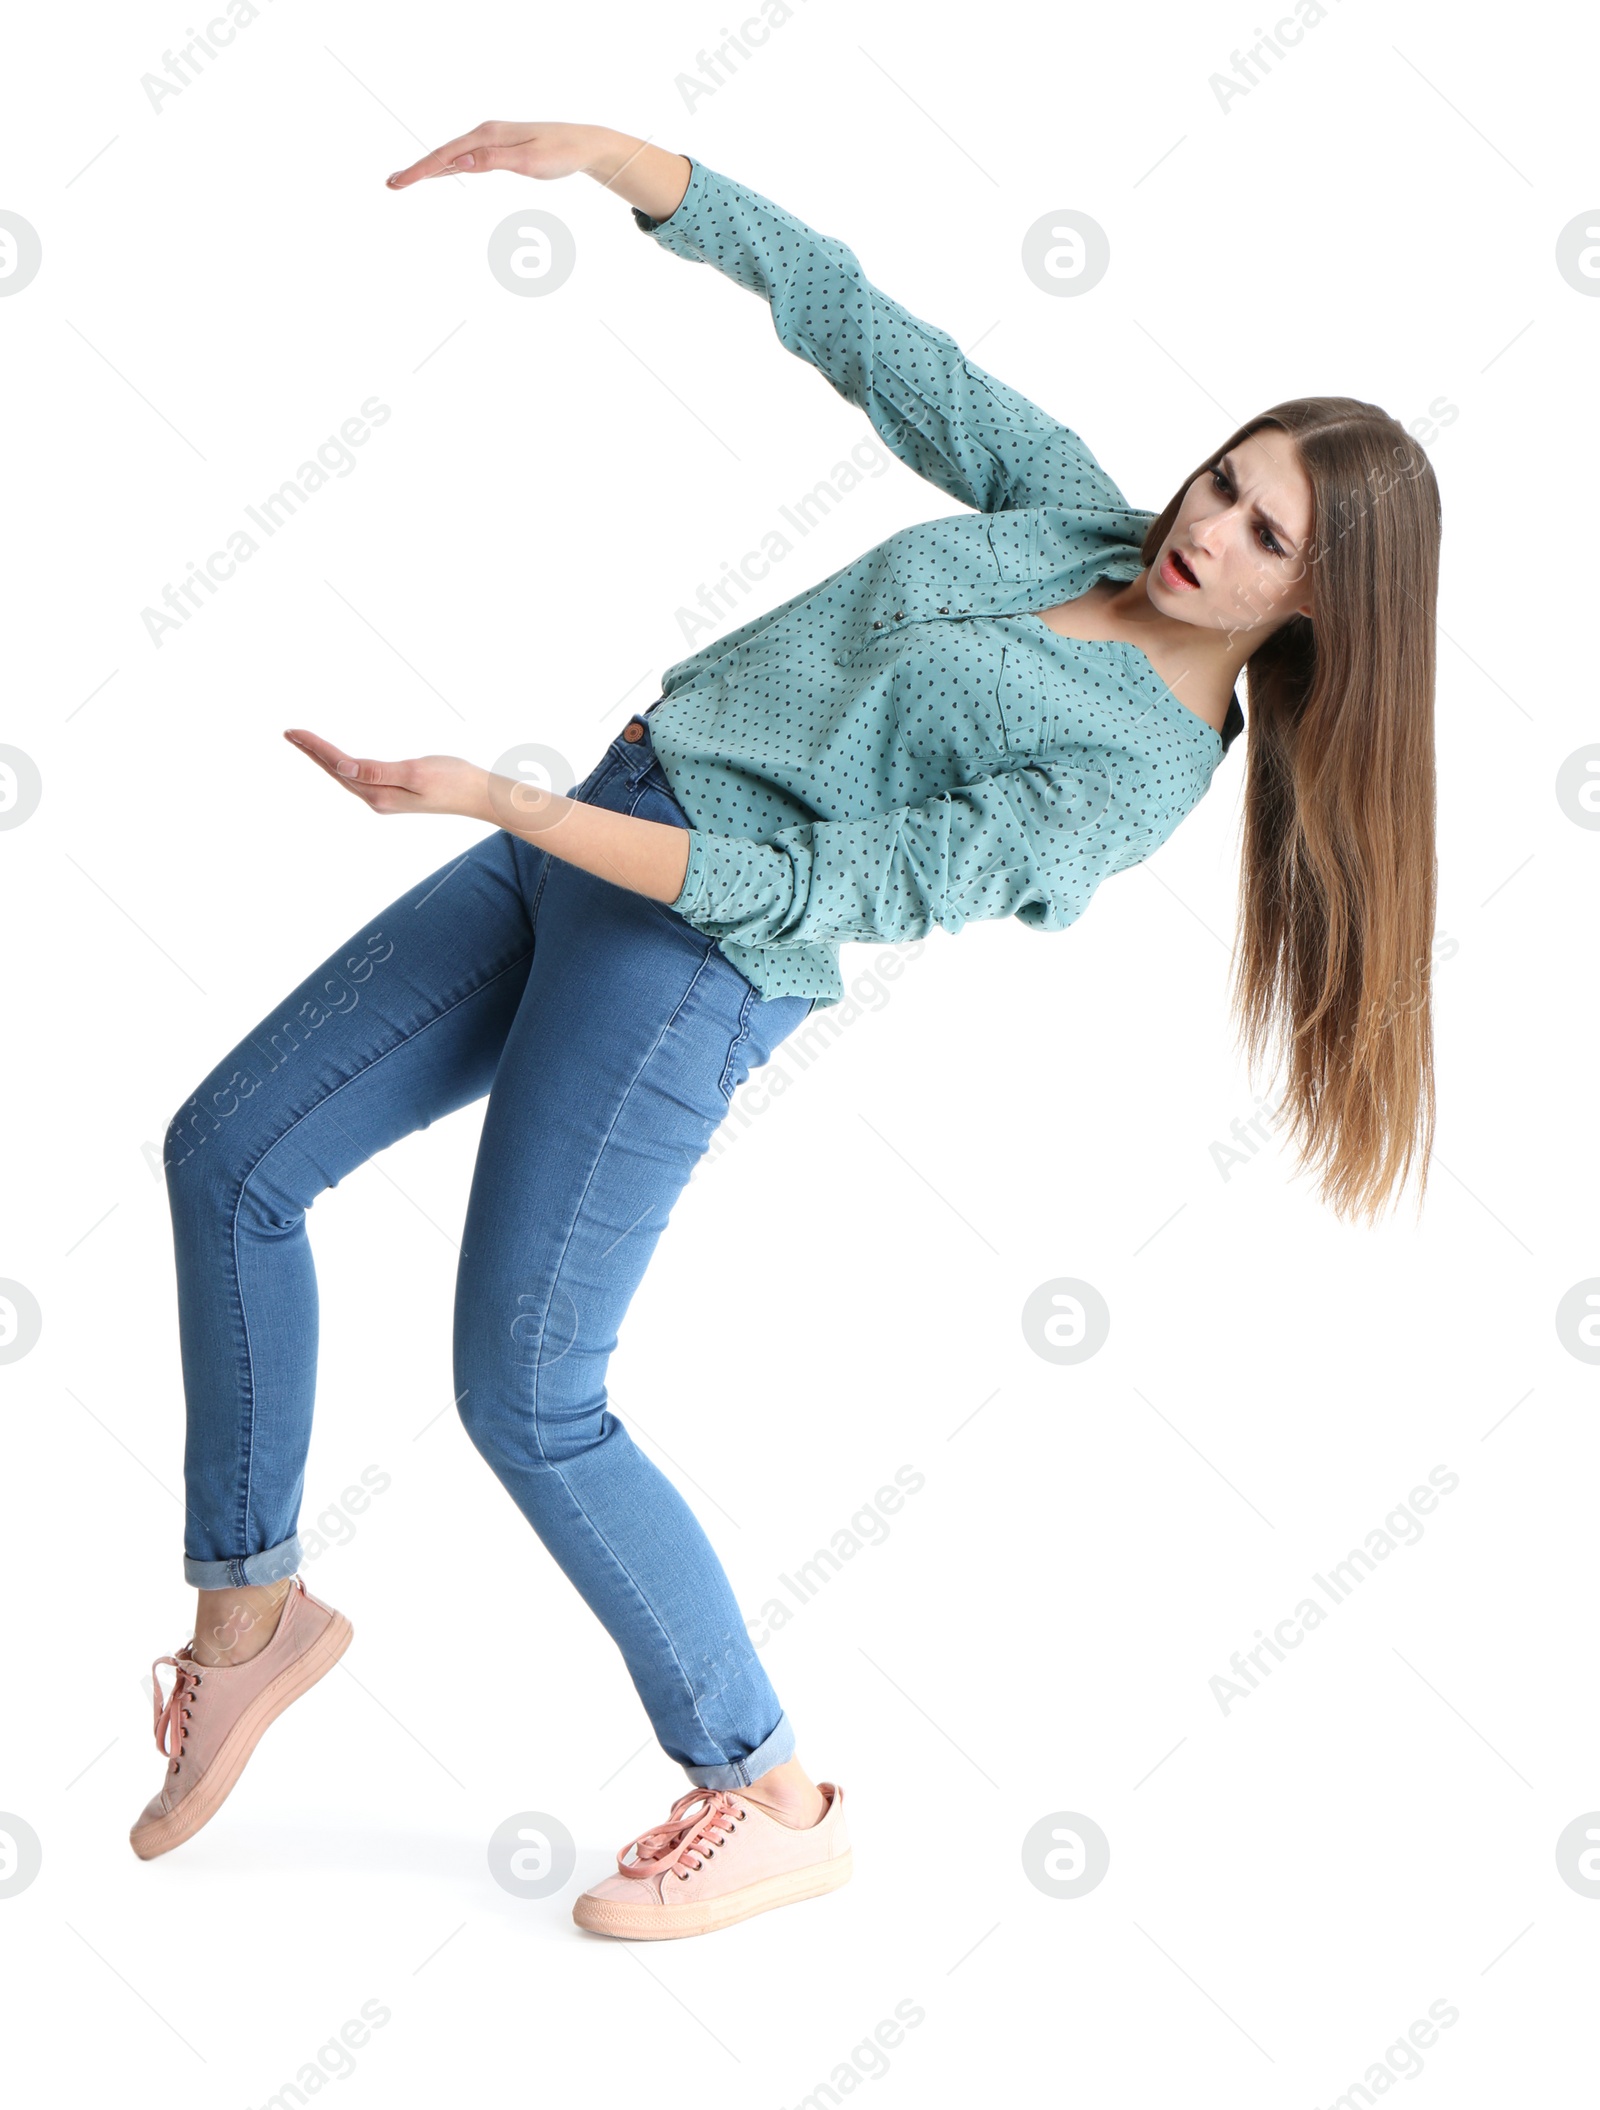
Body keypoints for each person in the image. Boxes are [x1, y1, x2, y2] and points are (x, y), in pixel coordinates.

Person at [132, 122, 1442, 1940]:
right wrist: (626, 163)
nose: (1201, 529)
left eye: (1262, 533)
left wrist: (508, 810)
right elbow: (868, 328)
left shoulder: (1131, 771)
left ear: (1321, 600)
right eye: (1223, 479)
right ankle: (251, 1613)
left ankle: (766, 1787)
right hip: (595, 823)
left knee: (527, 1394)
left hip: (687, 956)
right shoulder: (1069, 506)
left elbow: (819, 886)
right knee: (231, 1158)